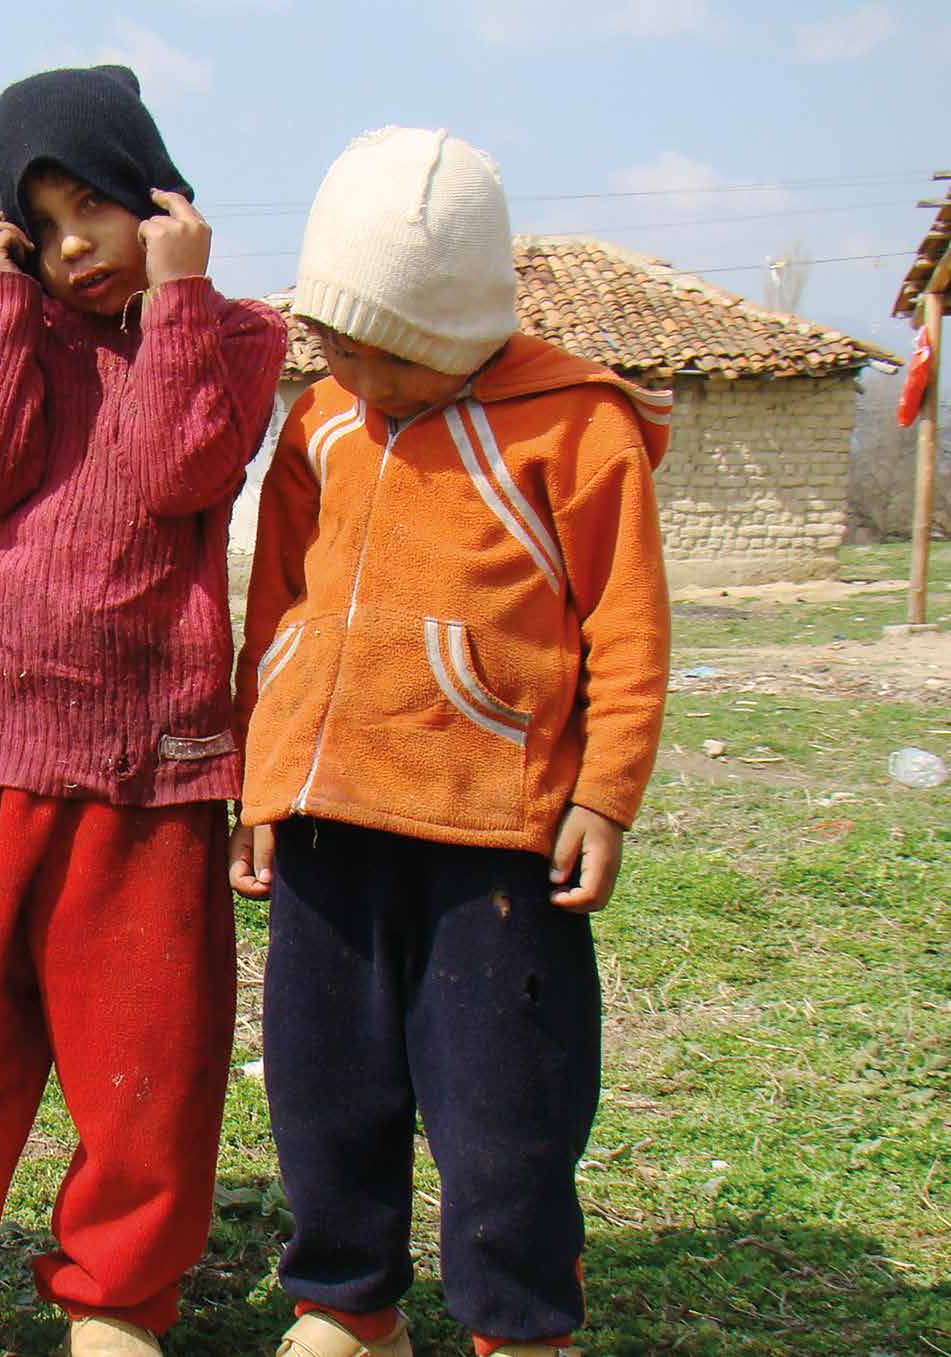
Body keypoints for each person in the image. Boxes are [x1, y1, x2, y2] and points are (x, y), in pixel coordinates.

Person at [0, 65, 289, 1357]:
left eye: (96, 201)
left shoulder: (234, 335)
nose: (76, 242)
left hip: (148, 766)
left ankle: (118, 1300)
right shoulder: (14, 332)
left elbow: (171, 471)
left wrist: (178, 298)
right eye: (43, 217)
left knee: (146, 1064)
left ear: (158, 196)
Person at [231, 127, 672, 1357]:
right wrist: (263, 776)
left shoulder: (575, 429)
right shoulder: (317, 423)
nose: (360, 375)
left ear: (461, 324)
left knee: (505, 1106)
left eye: (392, 352)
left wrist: (606, 789)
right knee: (324, 1091)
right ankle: (348, 1307)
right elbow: (277, 614)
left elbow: (626, 625)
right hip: (328, 818)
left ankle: (520, 1322)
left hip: (495, 835)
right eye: (338, 344)